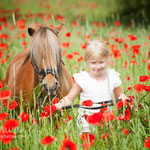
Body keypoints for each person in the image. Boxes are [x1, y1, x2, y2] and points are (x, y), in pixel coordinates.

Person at [55, 40, 128, 133]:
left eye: (101, 62)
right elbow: (69, 98)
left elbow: (120, 95)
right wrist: (59, 105)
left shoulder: (112, 77)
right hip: (86, 126)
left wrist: (124, 99)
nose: (98, 66)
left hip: (106, 125)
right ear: (86, 61)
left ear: (107, 59)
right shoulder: (82, 79)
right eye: (93, 63)